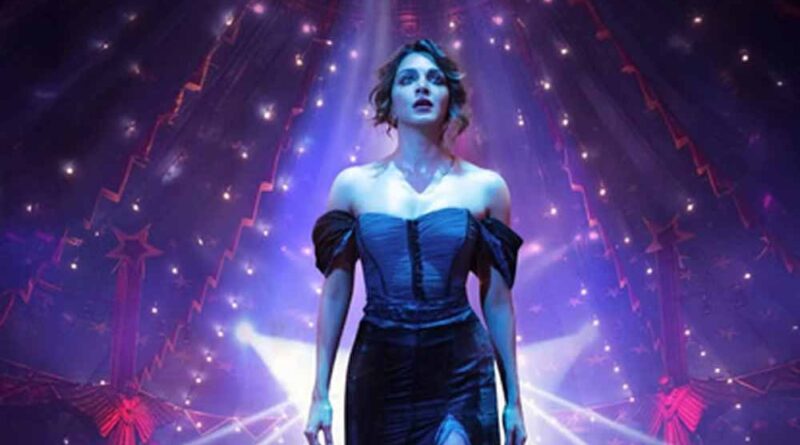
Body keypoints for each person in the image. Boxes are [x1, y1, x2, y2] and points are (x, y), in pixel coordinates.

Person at [305, 38, 527, 445]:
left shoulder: (486, 187)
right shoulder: (352, 186)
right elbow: (335, 293)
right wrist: (319, 394)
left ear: (450, 99)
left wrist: (514, 400)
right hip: (379, 368)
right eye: (408, 79)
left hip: (460, 365)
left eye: (434, 79)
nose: (422, 87)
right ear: (389, 101)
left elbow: (497, 300)